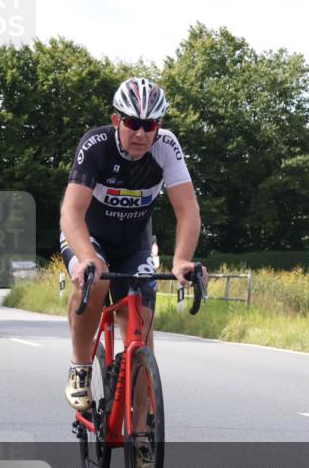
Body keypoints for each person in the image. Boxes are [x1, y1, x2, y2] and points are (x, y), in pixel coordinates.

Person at [59, 77, 204, 411]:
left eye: (150, 124)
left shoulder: (166, 147)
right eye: (133, 123)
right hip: (87, 235)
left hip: (134, 242)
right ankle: (80, 367)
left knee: (142, 327)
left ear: (159, 126)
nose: (141, 133)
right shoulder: (96, 145)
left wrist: (182, 260)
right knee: (94, 281)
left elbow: (188, 211)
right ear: (116, 121)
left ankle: (141, 437)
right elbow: (71, 210)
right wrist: (85, 258)